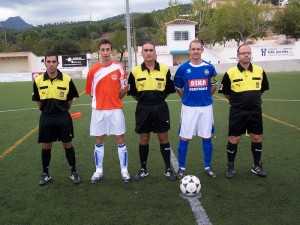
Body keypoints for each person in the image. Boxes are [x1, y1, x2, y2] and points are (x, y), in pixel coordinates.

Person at [127, 41, 177, 181]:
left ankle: (168, 168)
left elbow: (168, 90)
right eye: (146, 50)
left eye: (151, 50)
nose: (148, 53)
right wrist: (144, 101)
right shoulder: (135, 71)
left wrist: (158, 99)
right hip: (143, 108)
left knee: (163, 138)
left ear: (155, 52)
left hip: (160, 107)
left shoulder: (165, 69)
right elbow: (132, 92)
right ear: (141, 53)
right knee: (144, 138)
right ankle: (143, 169)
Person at [218, 44, 269, 179]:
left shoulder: (260, 70)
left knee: (257, 137)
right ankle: (231, 166)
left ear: (251, 54)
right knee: (234, 138)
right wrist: (237, 102)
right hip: (237, 112)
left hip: (255, 111)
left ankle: (257, 165)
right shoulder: (230, 73)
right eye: (243, 53)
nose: (246, 55)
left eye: (248, 53)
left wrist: (253, 99)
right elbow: (225, 92)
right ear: (238, 55)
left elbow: (262, 89)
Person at [32, 50, 80, 186]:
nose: (51, 64)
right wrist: (46, 110)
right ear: (45, 63)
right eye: (49, 62)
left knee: (67, 144)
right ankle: (45, 173)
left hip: (63, 117)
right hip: (46, 117)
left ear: (58, 63)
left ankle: (73, 172)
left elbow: (70, 100)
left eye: (54, 62)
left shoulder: (67, 80)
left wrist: (62, 110)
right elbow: (38, 101)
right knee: (46, 145)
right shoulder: (38, 81)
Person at [85, 39, 130, 183]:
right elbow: (92, 92)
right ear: (99, 51)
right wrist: (102, 101)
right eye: (102, 50)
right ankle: (98, 171)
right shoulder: (93, 70)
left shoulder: (119, 68)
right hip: (98, 111)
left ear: (112, 51)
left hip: (115, 110)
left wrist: (115, 100)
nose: (105, 52)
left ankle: (124, 171)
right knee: (99, 139)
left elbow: (124, 88)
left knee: (120, 138)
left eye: (108, 49)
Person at [174, 39, 218, 179]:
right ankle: (181, 167)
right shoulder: (182, 69)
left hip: (206, 107)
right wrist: (186, 98)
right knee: (185, 137)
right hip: (189, 108)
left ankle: (207, 166)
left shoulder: (209, 68)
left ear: (202, 50)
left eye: (198, 49)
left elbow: (213, 86)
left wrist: (205, 97)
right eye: (193, 49)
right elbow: (178, 88)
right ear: (189, 50)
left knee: (206, 136)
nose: (196, 51)